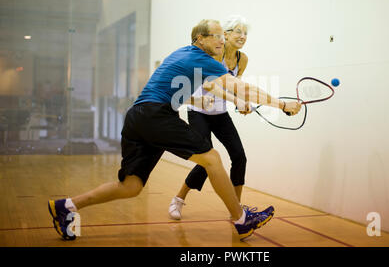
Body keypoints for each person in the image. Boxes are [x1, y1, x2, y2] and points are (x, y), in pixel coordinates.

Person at [48, 19, 301, 241]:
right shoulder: (201, 58)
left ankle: (67, 205)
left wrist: (197, 100)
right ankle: (241, 219)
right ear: (199, 39)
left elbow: (175, 89)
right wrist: (281, 104)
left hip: (137, 117)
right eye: (217, 36)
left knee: (131, 186)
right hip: (156, 115)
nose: (222, 41)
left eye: (223, 38)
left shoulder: (182, 55)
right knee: (212, 159)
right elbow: (241, 88)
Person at [169, 15, 252, 220]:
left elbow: (235, 86)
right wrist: (236, 100)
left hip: (220, 114)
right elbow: (210, 85)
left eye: (246, 33)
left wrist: (244, 101)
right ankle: (178, 198)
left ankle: (237, 210)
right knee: (208, 159)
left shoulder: (243, 59)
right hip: (198, 112)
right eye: (238, 31)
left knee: (239, 156)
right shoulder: (215, 54)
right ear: (226, 34)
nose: (243, 36)